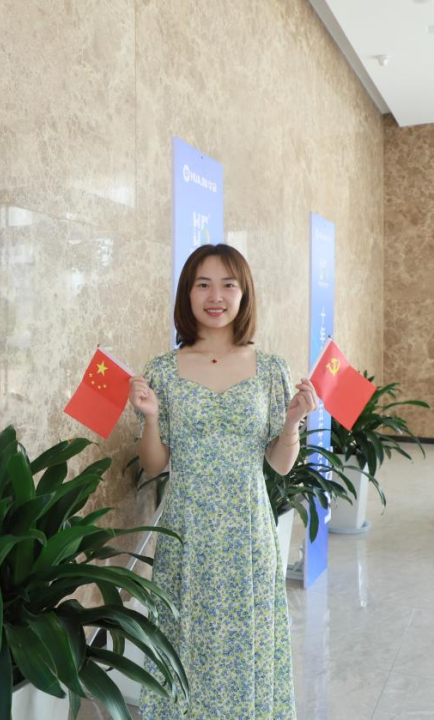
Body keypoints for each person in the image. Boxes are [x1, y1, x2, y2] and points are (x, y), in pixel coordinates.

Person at [128, 243, 317, 719]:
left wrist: (292, 423)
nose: (216, 296)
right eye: (203, 284)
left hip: (247, 532)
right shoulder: (162, 370)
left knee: (246, 642)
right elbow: (154, 465)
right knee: (184, 641)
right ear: (187, 293)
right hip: (186, 532)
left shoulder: (270, 369)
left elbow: (280, 465)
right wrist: (150, 418)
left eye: (228, 285)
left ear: (243, 293)